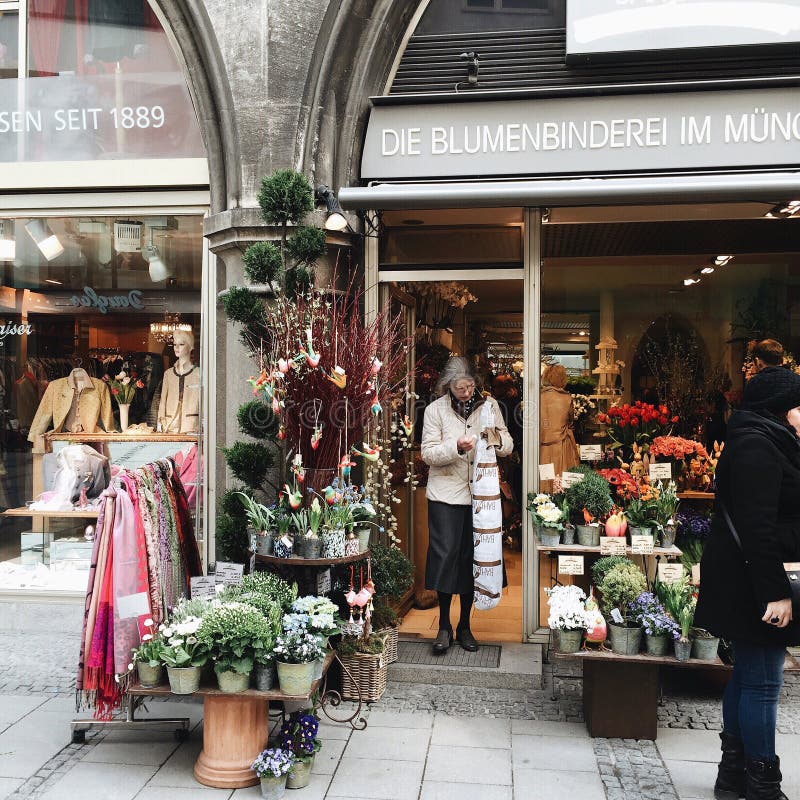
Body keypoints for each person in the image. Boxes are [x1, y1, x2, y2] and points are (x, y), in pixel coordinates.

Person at [694, 366, 800, 800]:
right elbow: (758, 527)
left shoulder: (767, 439)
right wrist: (775, 592)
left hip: (747, 576)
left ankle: (734, 775)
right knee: (763, 682)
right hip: (753, 582)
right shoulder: (759, 445)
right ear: (780, 409)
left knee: (749, 675)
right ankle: (762, 784)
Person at [420, 357, 513, 655]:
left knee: (473, 558)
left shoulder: (489, 406)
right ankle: (443, 626)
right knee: (446, 557)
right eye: (460, 387)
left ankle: (465, 626)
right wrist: (456, 447)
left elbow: (508, 444)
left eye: (470, 386)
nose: (466, 391)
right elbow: (428, 453)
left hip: (481, 497)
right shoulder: (435, 410)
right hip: (446, 495)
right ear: (448, 385)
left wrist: (491, 436)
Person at [539, 364, 579, 492]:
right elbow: (571, 420)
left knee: (544, 478)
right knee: (563, 480)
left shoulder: (538, 397)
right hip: (562, 444)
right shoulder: (566, 398)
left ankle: (542, 500)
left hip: (542, 445)